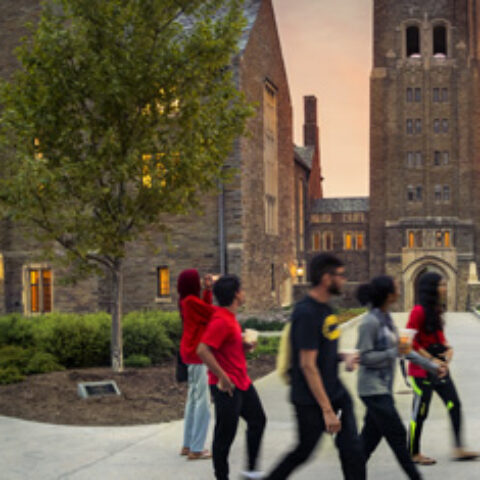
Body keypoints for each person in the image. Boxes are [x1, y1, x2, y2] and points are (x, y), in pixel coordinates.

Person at [265, 253, 365, 480]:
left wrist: (342, 356)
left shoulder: (326, 309)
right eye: (340, 275)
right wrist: (327, 411)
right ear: (325, 278)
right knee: (303, 451)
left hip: (335, 392)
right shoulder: (307, 313)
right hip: (311, 400)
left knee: (353, 452)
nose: (344, 280)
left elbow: (321, 352)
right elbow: (308, 365)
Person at [356, 275, 446, 479]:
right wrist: (392, 353)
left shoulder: (386, 319)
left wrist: (432, 367)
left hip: (382, 389)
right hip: (372, 390)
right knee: (397, 436)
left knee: (367, 443)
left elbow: (405, 351)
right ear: (388, 295)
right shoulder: (369, 322)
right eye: (396, 287)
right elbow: (364, 357)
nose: (399, 290)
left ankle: (353, 474)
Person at [197, 275, 266, 480]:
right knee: (224, 437)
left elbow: (224, 349)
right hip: (226, 386)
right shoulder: (221, 320)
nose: (244, 292)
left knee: (258, 421)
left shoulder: (229, 318)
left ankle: (251, 471)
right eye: (242, 289)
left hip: (242, 382)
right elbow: (202, 350)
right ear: (236, 294)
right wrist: (223, 377)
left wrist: (243, 346)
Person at [406, 272, 479, 464]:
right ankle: (413, 452)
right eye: (441, 284)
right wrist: (431, 360)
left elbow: (439, 337)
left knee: (454, 404)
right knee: (420, 412)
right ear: (431, 288)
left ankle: (458, 448)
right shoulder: (418, 311)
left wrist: (448, 350)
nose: (444, 287)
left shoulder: (436, 310)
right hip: (421, 371)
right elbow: (408, 343)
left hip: (440, 369)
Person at [178, 269, 215, 460]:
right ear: (192, 283)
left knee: (193, 399)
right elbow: (212, 313)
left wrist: (208, 291)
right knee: (203, 402)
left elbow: (204, 311)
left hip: (189, 353)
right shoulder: (191, 302)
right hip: (197, 354)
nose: (201, 281)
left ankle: (187, 444)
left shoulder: (187, 301)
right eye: (198, 279)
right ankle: (197, 448)